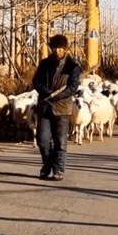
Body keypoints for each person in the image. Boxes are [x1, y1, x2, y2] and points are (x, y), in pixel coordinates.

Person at [32, 34, 82, 181]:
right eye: (54, 48)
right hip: (45, 106)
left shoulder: (72, 66)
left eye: (60, 48)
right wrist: (46, 92)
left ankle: (58, 169)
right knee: (43, 139)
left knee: (60, 141)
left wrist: (59, 96)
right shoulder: (45, 64)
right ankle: (47, 165)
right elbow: (36, 80)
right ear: (51, 48)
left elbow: (73, 86)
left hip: (62, 108)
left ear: (65, 49)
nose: (57, 51)